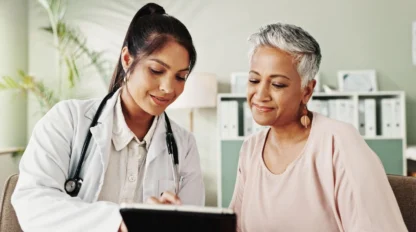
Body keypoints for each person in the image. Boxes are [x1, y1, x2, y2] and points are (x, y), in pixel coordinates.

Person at [11, 3, 205, 232]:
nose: (168, 88)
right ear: (127, 59)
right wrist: (122, 222)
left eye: (180, 77)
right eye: (156, 70)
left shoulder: (184, 146)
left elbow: (193, 224)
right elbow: (33, 203)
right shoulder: (67, 120)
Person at [229, 22, 407, 232]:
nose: (260, 94)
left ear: (307, 91)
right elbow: (234, 226)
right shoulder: (251, 148)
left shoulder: (339, 142)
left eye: (277, 84)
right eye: (253, 80)